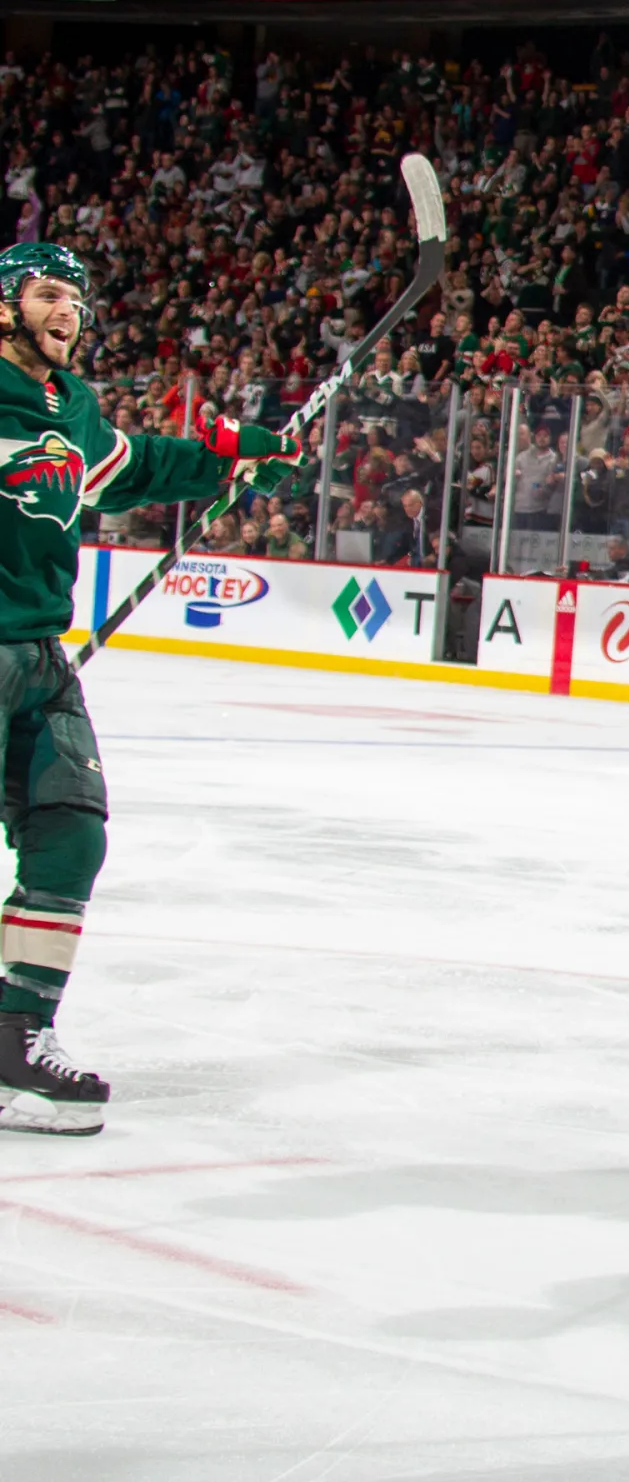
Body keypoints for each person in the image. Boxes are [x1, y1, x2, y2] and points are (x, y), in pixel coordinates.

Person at [0, 243, 301, 1133]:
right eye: (50, 293)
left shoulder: (74, 407)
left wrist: (233, 460)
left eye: (78, 299)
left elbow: (135, 468)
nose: (70, 311)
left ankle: (14, 1039)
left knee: (70, 833)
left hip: (36, 657)